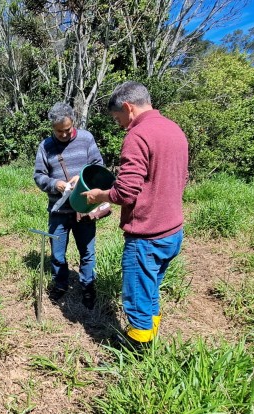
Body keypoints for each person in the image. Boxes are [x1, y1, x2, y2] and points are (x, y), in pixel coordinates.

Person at [83, 81, 188, 347]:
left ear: (129, 108)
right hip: (173, 231)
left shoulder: (138, 136)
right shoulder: (174, 129)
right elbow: (180, 177)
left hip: (147, 235)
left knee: (138, 297)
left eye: (118, 118)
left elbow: (126, 192)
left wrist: (99, 196)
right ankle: (152, 335)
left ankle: (137, 353)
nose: (120, 125)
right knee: (151, 290)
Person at [34, 102, 105, 309]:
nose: (64, 135)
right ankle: (61, 284)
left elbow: (98, 166)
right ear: (52, 128)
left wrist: (81, 177)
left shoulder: (86, 139)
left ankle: (88, 287)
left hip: (83, 208)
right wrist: (54, 184)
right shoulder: (45, 146)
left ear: (73, 122)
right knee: (57, 253)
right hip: (58, 210)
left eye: (67, 130)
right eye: (59, 131)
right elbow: (38, 176)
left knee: (87, 252)